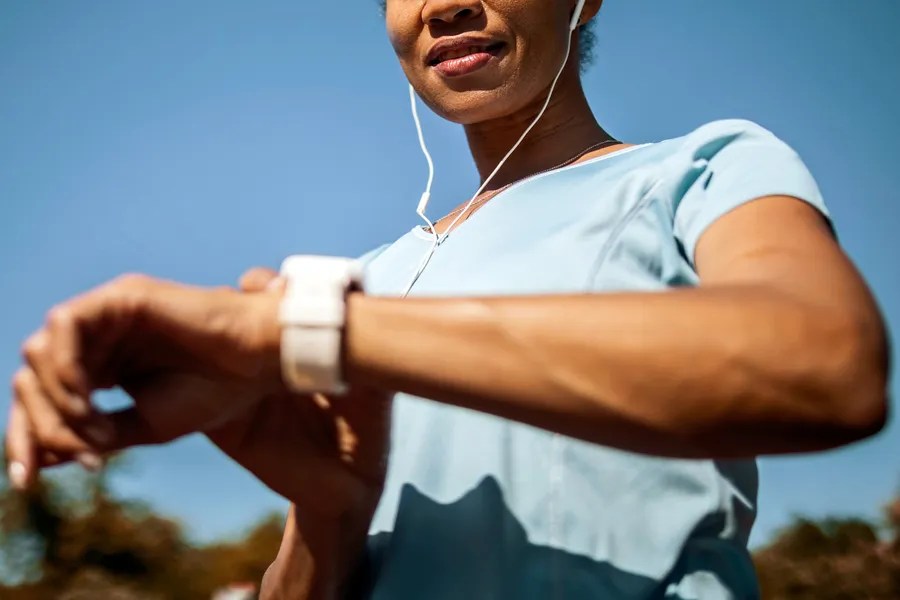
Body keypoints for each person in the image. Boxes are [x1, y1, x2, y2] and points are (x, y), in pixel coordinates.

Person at [5, 0, 890, 598]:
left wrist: (317, 329)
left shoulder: (706, 169)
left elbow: (826, 364)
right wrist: (328, 506)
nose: (446, 2)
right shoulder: (361, 285)